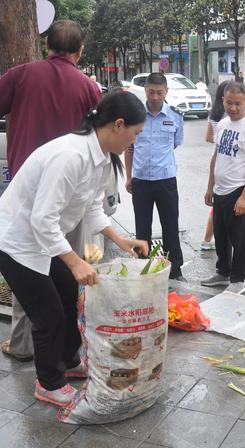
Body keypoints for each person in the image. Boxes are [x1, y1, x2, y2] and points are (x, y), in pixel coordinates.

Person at [0, 91, 149, 407]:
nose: (134, 141)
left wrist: (122, 242)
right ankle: (49, 383)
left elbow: (92, 207)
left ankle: (68, 362)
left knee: (70, 296)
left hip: (43, 240)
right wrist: (74, 260)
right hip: (16, 242)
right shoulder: (71, 155)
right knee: (48, 313)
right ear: (118, 124)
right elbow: (42, 219)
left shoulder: (102, 160)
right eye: (135, 133)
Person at [0, 20, 102, 362]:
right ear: (80, 50)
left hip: (25, 191)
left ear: (47, 45)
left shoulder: (20, 75)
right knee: (67, 276)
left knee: (26, 271)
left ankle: (23, 344)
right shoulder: (89, 87)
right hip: (69, 197)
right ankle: (66, 349)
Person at [201, 82, 245, 294]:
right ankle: (223, 272)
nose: (233, 108)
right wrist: (210, 187)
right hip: (220, 190)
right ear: (223, 101)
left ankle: (238, 281)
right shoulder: (223, 124)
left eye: (238, 104)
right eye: (229, 103)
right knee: (221, 234)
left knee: (239, 238)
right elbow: (216, 157)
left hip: (238, 191)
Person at [124, 72, 186, 282]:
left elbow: (175, 144)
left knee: (170, 226)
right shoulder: (136, 115)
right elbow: (129, 147)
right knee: (142, 228)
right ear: (145, 91)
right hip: (141, 180)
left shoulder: (175, 115)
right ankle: (144, 269)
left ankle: (175, 270)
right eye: (151, 92)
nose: (155, 97)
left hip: (166, 179)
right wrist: (128, 176)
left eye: (160, 92)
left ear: (166, 92)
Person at [201, 81, 229, 251]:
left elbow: (208, 137)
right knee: (222, 205)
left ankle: (207, 239)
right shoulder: (231, 115)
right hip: (228, 161)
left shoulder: (215, 113)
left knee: (218, 203)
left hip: (216, 160)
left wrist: (219, 142)